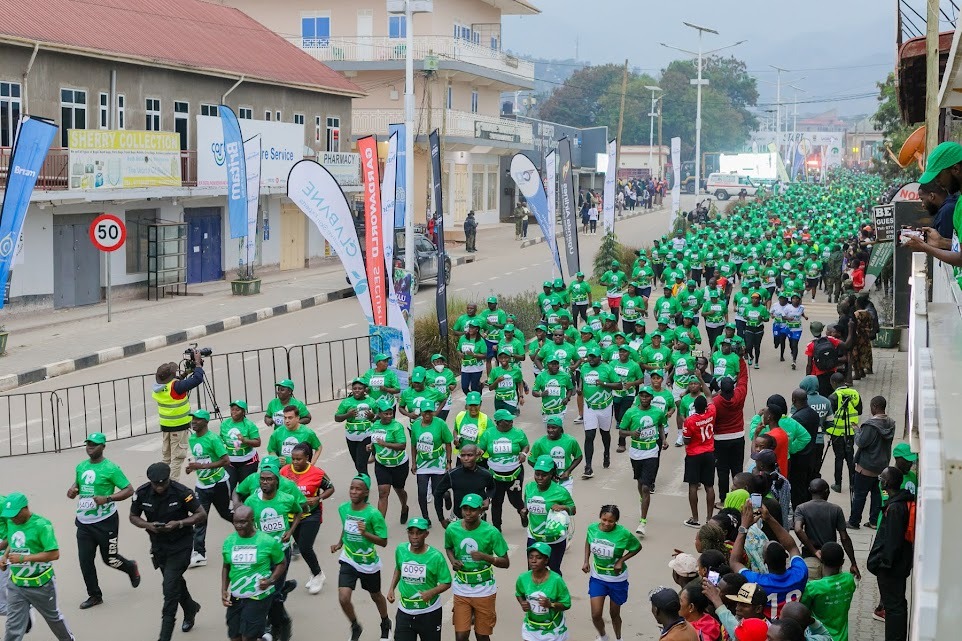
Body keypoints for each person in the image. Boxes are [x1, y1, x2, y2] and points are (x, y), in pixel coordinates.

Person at [129, 462, 207, 641]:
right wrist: (148, 525)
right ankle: (190, 608)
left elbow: (201, 514)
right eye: (155, 484)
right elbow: (133, 516)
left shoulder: (182, 492)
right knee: (174, 581)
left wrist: (179, 523)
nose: (159, 487)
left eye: (163, 483)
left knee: (169, 590)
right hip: (159, 546)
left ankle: (164, 636)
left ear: (168, 479)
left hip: (181, 544)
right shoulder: (142, 493)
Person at [66, 432, 139, 609]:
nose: (90, 447)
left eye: (94, 444)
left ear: (103, 447)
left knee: (110, 559)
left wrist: (107, 499)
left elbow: (129, 490)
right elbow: (77, 486)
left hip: (106, 522)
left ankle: (130, 567)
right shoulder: (81, 466)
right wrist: (72, 491)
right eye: (88, 444)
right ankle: (94, 595)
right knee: (85, 561)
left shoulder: (111, 468)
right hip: (84, 523)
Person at [0, 493, 74, 641]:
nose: (13, 519)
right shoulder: (12, 523)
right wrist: (5, 556)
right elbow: (12, 540)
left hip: (41, 585)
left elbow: (54, 554)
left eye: (15, 515)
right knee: (13, 626)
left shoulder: (42, 525)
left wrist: (23, 558)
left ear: (25, 508)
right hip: (16, 583)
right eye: (10, 516)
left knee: (53, 618)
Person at [244, 461, 303, 641]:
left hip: (281, 552)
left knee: (273, 592)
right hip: (261, 555)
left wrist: (290, 532)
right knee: (265, 590)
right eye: (262, 479)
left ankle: (280, 625)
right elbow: (246, 524)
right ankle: (274, 623)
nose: (265, 482)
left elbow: (300, 512)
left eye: (269, 479)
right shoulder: (251, 501)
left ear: (277, 481)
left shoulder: (287, 499)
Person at [331, 474, 391, 641]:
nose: (354, 491)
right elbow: (346, 526)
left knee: (376, 596)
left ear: (366, 493)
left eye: (358, 489)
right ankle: (355, 626)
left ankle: (385, 622)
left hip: (368, 563)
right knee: (343, 598)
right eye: (352, 488)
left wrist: (365, 534)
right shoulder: (343, 508)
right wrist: (339, 543)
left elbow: (383, 542)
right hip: (349, 558)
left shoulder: (374, 514)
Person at [444, 493, 510, 641]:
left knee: (482, 636)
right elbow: (448, 547)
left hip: (484, 589)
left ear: (481, 510)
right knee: (461, 636)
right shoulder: (452, 529)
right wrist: (453, 561)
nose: (468, 513)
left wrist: (486, 557)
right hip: (461, 587)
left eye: (473, 509)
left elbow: (505, 562)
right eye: (465, 509)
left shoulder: (491, 532)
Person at [730, 503, 808, 619]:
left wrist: (744, 527)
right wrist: (769, 518)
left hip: (770, 628)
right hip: (794, 625)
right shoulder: (800, 573)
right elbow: (792, 547)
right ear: (786, 556)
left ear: (765, 561)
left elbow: (734, 562)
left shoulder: (757, 582)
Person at [221, 505, 287, 641]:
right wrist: (224, 589)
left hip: (259, 596)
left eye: (243, 522)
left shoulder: (267, 541)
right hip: (237, 595)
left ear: (252, 520)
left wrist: (270, 580)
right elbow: (226, 566)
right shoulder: (229, 541)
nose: (238, 526)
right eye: (235, 522)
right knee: (234, 636)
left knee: (248, 636)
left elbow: (281, 563)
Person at [867, 467, 915, 641]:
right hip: (898, 564)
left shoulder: (895, 508)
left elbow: (892, 541)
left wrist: (884, 564)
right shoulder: (900, 502)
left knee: (894, 607)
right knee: (897, 605)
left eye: (881, 478)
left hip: (892, 567)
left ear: (886, 483)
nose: (879, 480)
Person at [280, 443, 335, 595]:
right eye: (293, 459)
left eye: (299, 459)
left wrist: (318, 497)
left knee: (304, 547)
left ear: (307, 458)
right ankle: (314, 571)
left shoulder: (317, 473)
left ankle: (318, 574)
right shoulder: (284, 471)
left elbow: (330, 488)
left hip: (311, 515)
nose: (295, 462)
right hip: (291, 516)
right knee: (301, 546)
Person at [582, 505, 642, 641]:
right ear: (600, 517)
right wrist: (586, 561)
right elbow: (588, 542)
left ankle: (619, 638)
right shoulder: (592, 528)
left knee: (614, 614)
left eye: (611, 521)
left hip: (617, 580)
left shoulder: (623, 533)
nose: (607, 524)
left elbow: (637, 547)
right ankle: (603, 636)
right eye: (604, 520)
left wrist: (621, 560)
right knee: (596, 614)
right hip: (598, 577)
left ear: (616, 521)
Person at [386, 518, 452, 641]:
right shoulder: (401, 549)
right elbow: (398, 568)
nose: (414, 537)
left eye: (419, 533)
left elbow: (447, 582)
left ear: (426, 534)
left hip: (429, 612)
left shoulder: (436, 556)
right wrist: (391, 589)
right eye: (411, 533)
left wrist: (431, 592)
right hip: (405, 611)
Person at [619, 386, 668, 535]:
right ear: (639, 397)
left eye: (647, 396)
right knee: (640, 482)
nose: (644, 398)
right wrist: (631, 433)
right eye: (642, 396)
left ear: (652, 398)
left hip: (652, 451)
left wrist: (664, 440)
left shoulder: (658, 412)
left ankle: (642, 522)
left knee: (646, 487)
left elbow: (661, 426)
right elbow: (621, 431)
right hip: (636, 452)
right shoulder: (631, 412)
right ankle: (642, 500)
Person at [152, 351, 206, 482]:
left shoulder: (159, 387)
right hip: (178, 427)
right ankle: (171, 484)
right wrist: (198, 364)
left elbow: (176, 383)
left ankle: (160, 480)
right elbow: (198, 379)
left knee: (167, 458)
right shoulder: (176, 387)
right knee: (177, 458)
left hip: (166, 427)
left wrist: (186, 373)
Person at [793, 479, 860, 582]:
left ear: (809, 490)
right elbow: (844, 538)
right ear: (827, 492)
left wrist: (814, 551)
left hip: (810, 559)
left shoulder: (801, 508)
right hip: (831, 561)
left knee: (811, 589)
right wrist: (853, 563)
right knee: (831, 589)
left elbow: (798, 529)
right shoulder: (836, 509)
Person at [522, 456, 576, 575]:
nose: (540, 478)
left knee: (553, 571)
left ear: (551, 474)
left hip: (554, 539)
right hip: (534, 536)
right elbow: (525, 515)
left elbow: (573, 510)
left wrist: (563, 507)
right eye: (537, 474)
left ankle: (557, 587)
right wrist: (523, 514)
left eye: (544, 475)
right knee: (532, 570)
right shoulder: (529, 487)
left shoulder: (560, 491)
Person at [849, 396, 894, 530]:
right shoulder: (891, 423)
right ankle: (874, 521)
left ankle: (854, 521)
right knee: (877, 495)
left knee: (860, 495)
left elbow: (861, 442)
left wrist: (857, 430)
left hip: (866, 467)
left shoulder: (870, 425)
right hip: (882, 467)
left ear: (874, 406)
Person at [578, 347, 623, 476]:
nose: (591, 359)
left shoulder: (607, 368)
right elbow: (581, 379)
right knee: (589, 436)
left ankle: (606, 452)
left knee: (604, 433)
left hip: (605, 406)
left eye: (594, 357)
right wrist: (580, 388)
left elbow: (619, 385)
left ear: (600, 358)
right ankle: (588, 466)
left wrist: (604, 383)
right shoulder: (584, 367)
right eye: (589, 356)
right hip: (590, 406)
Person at [800, 541, 856, 641]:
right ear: (842, 562)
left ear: (821, 559)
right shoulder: (849, 579)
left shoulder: (813, 587)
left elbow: (803, 609)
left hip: (820, 637)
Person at [410, 400, 453, 528]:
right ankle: (426, 518)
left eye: (430, 411)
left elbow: (448, 443)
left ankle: (444, 503)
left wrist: (448, 462)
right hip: (422, 462)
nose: (428, 414)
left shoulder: (440, 424)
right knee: (422, 492)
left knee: (436, 492)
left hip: (437, 462)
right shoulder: (415, 425)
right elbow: (413, 445)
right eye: (425, 412)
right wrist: (413, 462)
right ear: (421, 412)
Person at [515, 542, 572, 641]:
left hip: (553, 629)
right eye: (531, 557)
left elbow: (566, 604)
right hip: (531, 627)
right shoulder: (523, 578)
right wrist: (522, 603)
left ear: (546, 560)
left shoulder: (556, 580)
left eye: (538, 558)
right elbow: (519, 593)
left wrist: (551, 604)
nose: (533, 561)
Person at [712, 359, 748, 503]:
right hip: (738, 437)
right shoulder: (739, 395)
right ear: (733, 387)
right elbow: (743, 380)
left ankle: (723, 499)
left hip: (720, 439)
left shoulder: (716, 402)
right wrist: (741, 360)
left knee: (722, 471)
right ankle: (739, 498)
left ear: (720, 389)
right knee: (737, 469)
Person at [369, 398, 411, 522]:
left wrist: (385, 444)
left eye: (390, 413)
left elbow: (402, 446)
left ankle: (404, 507)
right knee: (383, 492)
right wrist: (371, 446)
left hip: (399, 465)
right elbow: (375, 441)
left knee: (399, 489)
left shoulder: (397, 427)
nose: (389, 416)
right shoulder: (375, 425)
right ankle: (380, 525)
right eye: (386, 414)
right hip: (382, 464)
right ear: (379, 414)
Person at [432, 444, 495, 524]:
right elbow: (437, 493)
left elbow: (492, 488)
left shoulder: (485, 474)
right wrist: (441, 519)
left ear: (477, 456)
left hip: (479, 519)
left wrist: (488, 499)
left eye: (470, 455)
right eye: (463, 455)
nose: (466, 458)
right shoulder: (452, 475)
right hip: (458, 519)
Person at [683, 395, 716, 528]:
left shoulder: (690, 420)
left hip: (694, 455)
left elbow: (686, 440)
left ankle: (695, 519)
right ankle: (709, 518)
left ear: (694, 408)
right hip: (709, 453)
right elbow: (710, 398)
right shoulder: (711, 413)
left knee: (693, 485)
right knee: (709, 486)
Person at [528, 416, 584, 496]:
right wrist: (544, 472)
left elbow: (578, 456)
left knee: (565, 502)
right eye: (548, 427)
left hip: (565, 481)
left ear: (560, 428)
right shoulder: (539, 443)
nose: (550, 430)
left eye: (554, 427)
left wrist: (568, 471)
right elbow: (531, 460)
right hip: (546, 483)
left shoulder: (570, 441)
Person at [828, 373, 861, 493]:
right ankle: (853, 484)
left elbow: (829, 415)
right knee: (850, 457)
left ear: (834, 383)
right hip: (851, 431)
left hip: (837, 432)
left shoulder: (833, 397)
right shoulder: (855, 393)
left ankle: (838, 484)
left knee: (839, 458)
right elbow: (859, 411)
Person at [335, 378, 376, 475]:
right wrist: (348, 415)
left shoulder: (371, 401)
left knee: (361, 465)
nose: (357, 391)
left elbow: (379, 417)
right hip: (351, 436)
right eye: (354, 388)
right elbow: (337, 418)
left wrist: (372, 417)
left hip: (366, 435)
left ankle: (364, 481)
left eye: (360, 388)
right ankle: (363, 480)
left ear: (365, 389)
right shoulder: (346, 402)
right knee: (357, 464)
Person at [788, 389, 821, 508]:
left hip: (799, 458)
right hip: (812, 455)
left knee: (798, 489)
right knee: (808, 486)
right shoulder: (814, 414)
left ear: (794, 400)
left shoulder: (797, 418)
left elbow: (794, 438)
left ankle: (799, 511)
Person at [219, 400, 262, 485]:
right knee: (229, 484)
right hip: (230, 461)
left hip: (247, 461)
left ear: (243, 412)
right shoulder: (225, 424)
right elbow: (220, 440)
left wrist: (244, 440)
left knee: (244, 487)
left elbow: (258, 442)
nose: (234, 412)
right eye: (232, 409)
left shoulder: (249, 425)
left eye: (237, 410)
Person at [804, 322, 842, 398]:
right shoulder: (830, 339)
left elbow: (809, 365)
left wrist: (807, 378)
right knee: (832, 394)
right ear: (822, 330)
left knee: (822, 395)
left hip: (819, 374)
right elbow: (845, 345)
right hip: (831, 371)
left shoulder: (811, 345)